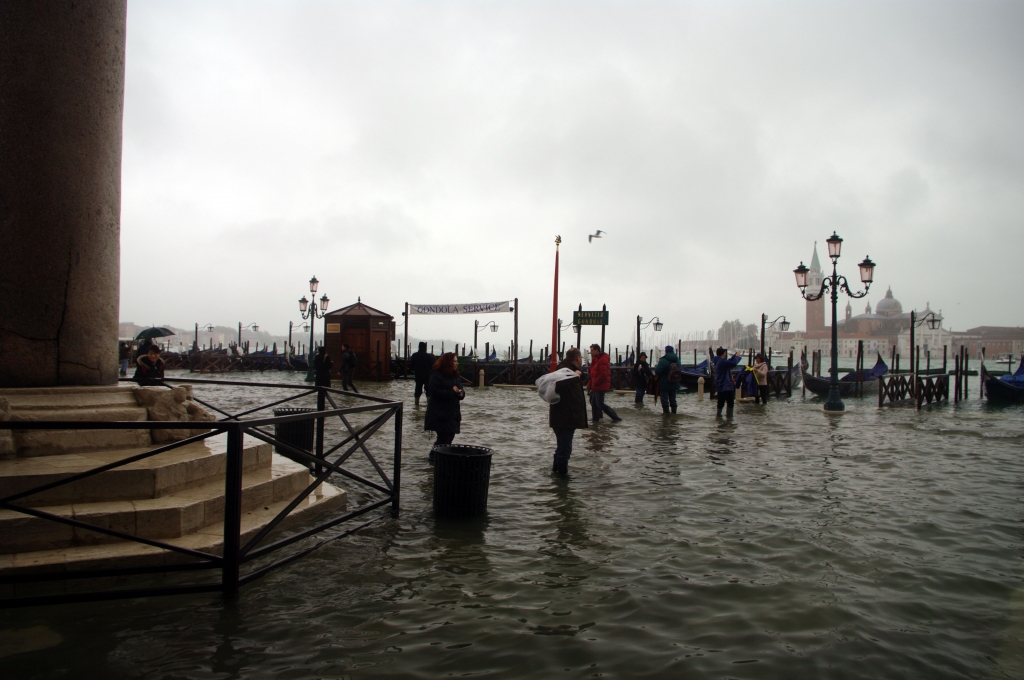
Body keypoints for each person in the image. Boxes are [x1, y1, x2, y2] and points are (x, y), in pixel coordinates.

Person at [548, 348, 588, 476]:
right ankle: (562, 479)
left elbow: (580, 381)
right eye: (581, 357)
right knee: (565, 449)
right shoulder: (564, 370)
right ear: (578, 358)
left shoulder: (570, 369)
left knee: (562, 447)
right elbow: (559, 387)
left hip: (566, 416)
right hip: (564, 417)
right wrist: (574, 376)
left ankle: (555, 474)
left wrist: (579, 375)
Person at [424, 352, 465, 460]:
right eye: (455, 361)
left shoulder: (455, 375)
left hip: (452, 413)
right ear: (448, 362)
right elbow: (434, 392)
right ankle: (434, 458)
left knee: (450, 437)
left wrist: (460, 393)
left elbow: (460, 389)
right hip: (439, 413)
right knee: (443, 438)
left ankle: (440, 458)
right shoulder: (436, 375)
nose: (457, 363)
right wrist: (452, 392)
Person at [587, 344, 621, 422]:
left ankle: (615, 418)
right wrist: (590, 383)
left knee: (599, 404)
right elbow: (593, 373)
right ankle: (596, 419)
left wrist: (594, 383)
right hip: (596, 385)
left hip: (600, 385)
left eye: (592, 351)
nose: (591, 352)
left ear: (597, 350)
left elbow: (603, 374)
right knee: (594, 403)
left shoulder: (602, 360)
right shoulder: (596, 359)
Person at [712, 347, 744, 416]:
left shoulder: (717, 360)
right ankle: (729, 418)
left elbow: (729, 361)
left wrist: (734, 356)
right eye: (725, 353)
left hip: (720, 385)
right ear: (722, 354)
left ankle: (719, 416)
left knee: (721, 401)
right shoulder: (722, 362)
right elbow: (733, 363)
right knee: (730, 402)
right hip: (726, 386)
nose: (725, 354)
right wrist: (737, 357)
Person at [654, 345, 682, 414]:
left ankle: (666, 416)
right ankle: (674, 415)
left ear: (666, 351)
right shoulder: (677, 360)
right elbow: (680, 369)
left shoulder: (663, 360)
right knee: (673, 400)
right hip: (674, 383)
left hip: (664, 384)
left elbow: (657, 371)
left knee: (665, 401)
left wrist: (656, 366)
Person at [409, 342, 434, 407]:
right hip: (427, 376)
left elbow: (411, 366)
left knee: (417, 390)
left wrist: (415, 371)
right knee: (428, 390)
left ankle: (416, 406)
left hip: (418, 375)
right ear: (425, 348)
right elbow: (433, 365)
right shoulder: (428, 356)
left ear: (419, 347)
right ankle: (429, 406)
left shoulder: (414, 355)